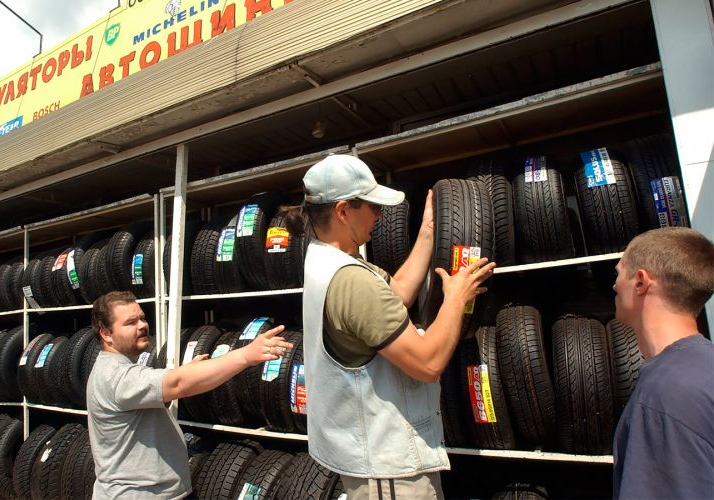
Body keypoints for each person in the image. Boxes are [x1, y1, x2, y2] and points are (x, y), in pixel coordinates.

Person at [288, 154, 495, 499]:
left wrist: (430, 232)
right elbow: (427, 364)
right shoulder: (352, 281)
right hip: (389, 473)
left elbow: (396, 293)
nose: (380, 214)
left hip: (370, 458)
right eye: (371, 206)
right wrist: (455, 299)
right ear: (342, 211)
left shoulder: (325, 259)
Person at [86, 290, 291, 499]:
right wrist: (246, 355)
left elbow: (169, 380)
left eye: (142, 318)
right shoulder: (116, 376)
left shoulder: (115, 368)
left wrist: (190, 371)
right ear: (106, 334)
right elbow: (176, 383)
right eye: (130, 322)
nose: (142, 326)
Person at [612, 227, 714, 499]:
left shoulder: (665, 396)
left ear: (641, 282)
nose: (614, 285)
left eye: (619, 273)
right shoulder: (703, 367)